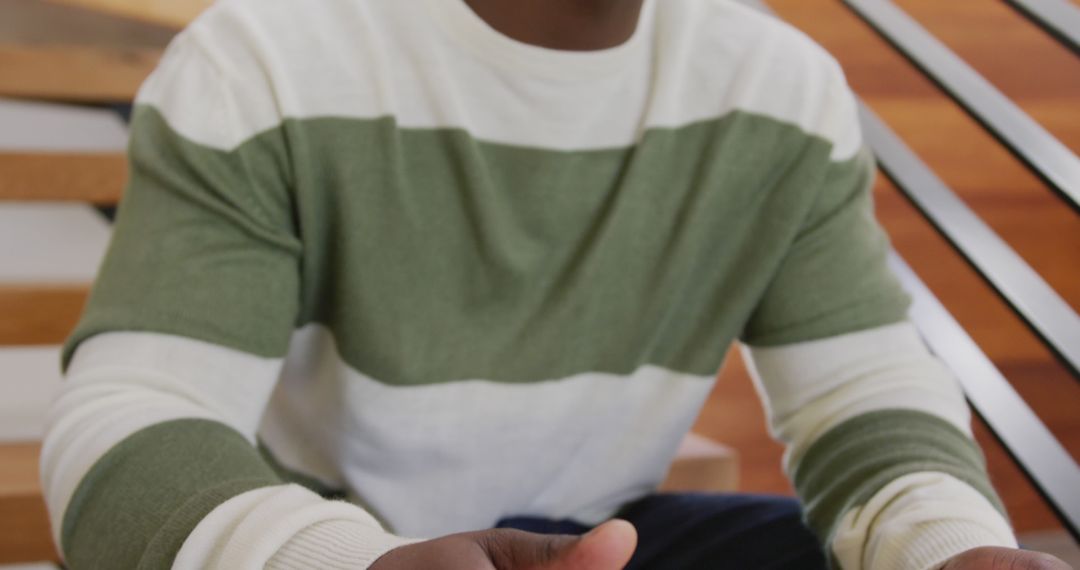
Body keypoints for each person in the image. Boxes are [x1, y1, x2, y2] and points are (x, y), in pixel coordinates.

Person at [40, 0, 1071, 568]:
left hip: (611, 536)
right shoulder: (263, 59)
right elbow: (139, 411)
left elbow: (862, 385)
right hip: (328, 529)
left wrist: (952, 552)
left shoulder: (782, 88)